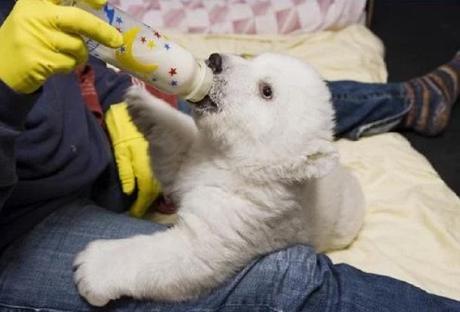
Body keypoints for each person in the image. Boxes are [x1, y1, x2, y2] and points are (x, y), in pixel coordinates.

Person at [0, 0, 459, 311]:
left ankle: (406, 100)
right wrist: (5, 95)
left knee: (225, 95)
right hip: (22, 220)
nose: (226, 58)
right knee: (281, 275)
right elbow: (192, 255)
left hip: (90, 139)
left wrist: (107, 81)